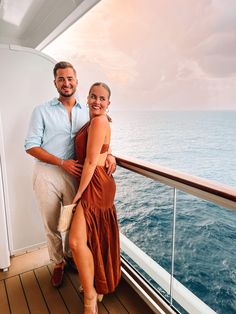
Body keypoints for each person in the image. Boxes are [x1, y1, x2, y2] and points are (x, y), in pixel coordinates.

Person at [24, 62, 116, 288]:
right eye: (61, 79)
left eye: (70, 78)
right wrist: (61, 162)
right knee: (52, 223)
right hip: (47, 173)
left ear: (76, 81)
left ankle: (75, 259)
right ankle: (58, 263)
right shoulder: (41, 110)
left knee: (74, 223)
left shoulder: (89, 111)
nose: (66, 83)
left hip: (77, 175)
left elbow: (98, 141)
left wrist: (111, 154)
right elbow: (30, 146)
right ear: (55, 83)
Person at [69, 82, 121, 314]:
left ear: (108, 104)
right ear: (87, 98)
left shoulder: (99, 121)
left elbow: (90, 162)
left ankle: (90, 299)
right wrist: (109, 153)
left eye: (102, 98)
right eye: (93, 97)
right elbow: (100, 150)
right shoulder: (95, 121)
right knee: (91, 239)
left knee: (77, 241)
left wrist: (79, 194)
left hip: (96, 184)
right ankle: (95, 287)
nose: (97, 101)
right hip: (97, 181)